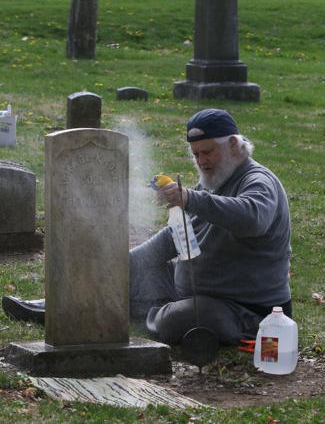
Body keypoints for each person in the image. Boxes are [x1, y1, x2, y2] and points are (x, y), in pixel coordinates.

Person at [2, 108, 292, 348]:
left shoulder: (258, 182)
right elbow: (177, 235)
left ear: (234, 145)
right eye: (196, 154)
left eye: (209, 152)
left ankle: (150, 311)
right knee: (123, 274)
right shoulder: (215, 180)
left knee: (182, 319)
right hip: (191, 288)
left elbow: (253, 219)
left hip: (242, 308)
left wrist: (191, 198)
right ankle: (58, 305)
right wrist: (121, 266)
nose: (202, 162)